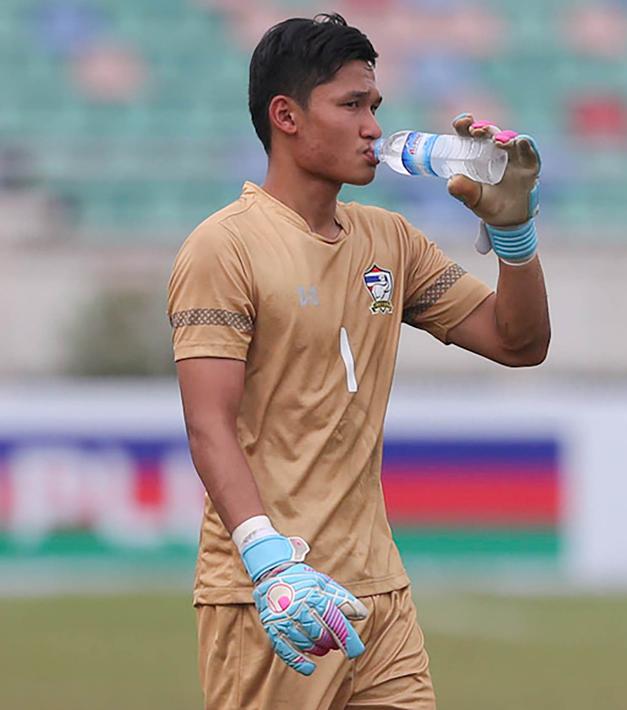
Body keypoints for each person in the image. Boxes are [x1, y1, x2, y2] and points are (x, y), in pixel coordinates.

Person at [167, 13, 549, 709]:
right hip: (275, 597)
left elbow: (518, 343)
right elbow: (208, 423)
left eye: (374, 106)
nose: (374, 127)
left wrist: (513, 232)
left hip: (381, 593)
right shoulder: (223, 247)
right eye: (350, 106)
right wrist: (267, 561)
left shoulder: (390, 239)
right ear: (285, 116)